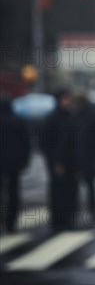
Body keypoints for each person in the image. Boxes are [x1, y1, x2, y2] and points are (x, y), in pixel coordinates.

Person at [41, 88, 79, 230]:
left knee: (70, 190)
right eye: (65, 99)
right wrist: (55, 161)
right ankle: (58, 218)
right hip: (57, 161)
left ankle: (69, 218)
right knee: (58, 190)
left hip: (71, 161)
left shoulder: (71, 116)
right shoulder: (52, 118)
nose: (67, 102)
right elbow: (46, 142)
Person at [0, 95, 31, 233]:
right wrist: (25, 161)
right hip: (14, 163)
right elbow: (26, 144)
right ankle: (11, 222)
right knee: (13, 193)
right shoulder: (18, 121)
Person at [72, 92, 95, 213]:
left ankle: (92, 209)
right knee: (77, 186)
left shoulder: (91, 115)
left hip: (88, 156)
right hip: (79, 155)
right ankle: (79, 210)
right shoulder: (75, 115)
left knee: (89, 185)